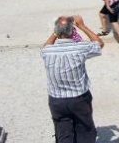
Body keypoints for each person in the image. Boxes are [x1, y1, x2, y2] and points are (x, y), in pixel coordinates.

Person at [41, 15, 104, 143]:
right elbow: (99, 43)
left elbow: (46, 45)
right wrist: (82, 26)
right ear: (72, 30)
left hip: (56, 100)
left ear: (57, 31)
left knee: (63, 133)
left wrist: (56, 32)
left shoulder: (47, 51)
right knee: (85, 131)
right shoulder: (80, 48)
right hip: (79, 98)